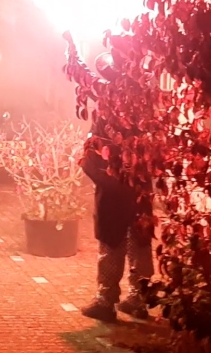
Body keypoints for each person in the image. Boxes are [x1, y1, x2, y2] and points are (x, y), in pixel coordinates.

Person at [79, 54, 155, 323]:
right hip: (137, 187)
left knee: (115, 243)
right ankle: (137, 297)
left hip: (116, 189)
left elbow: (95, 152)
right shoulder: (144, 102)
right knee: (138, 242)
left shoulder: (114, 112)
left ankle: (108, 299)